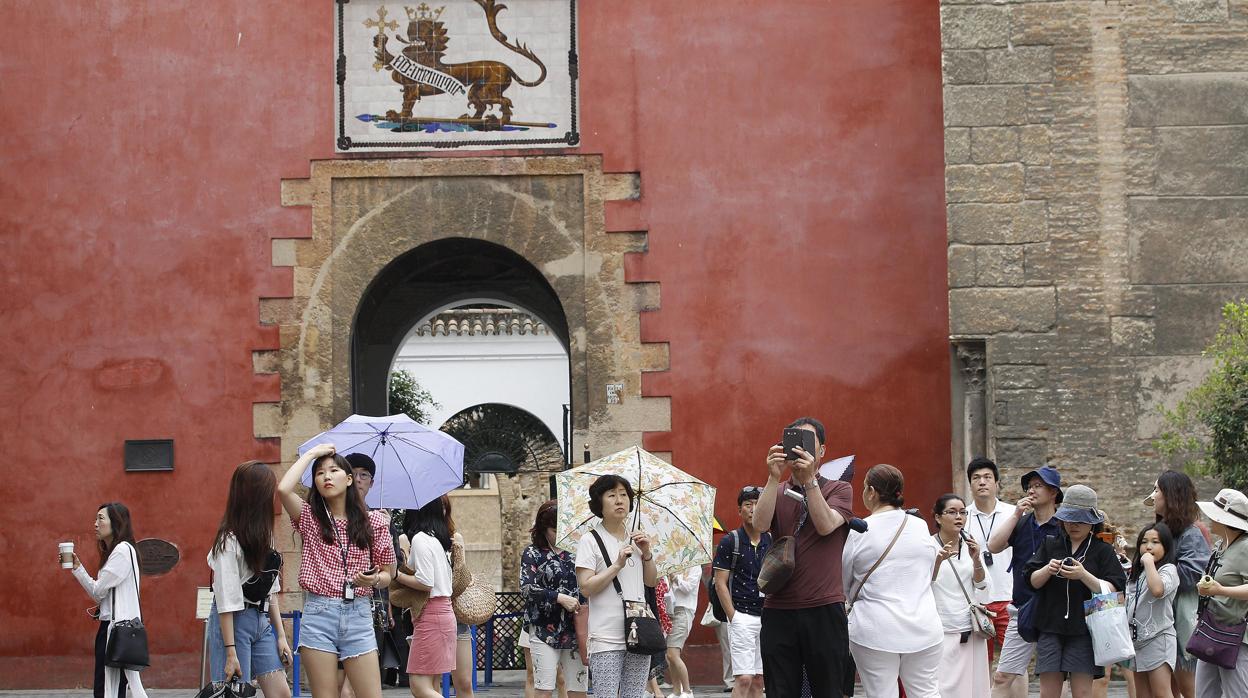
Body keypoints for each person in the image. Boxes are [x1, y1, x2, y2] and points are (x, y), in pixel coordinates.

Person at [277, 444, 396, 698]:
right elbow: (283, 489)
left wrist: (374, 578)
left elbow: (388, 575)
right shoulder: (310, 518)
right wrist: (310, 455)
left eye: (333, 470)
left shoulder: (374, 521)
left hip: (359, 614)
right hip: (319, 613)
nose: (327, 476)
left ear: (349, 479)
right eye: (320, 473)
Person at [753, 417, 854, 698]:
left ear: (822, 451)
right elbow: (760, 526)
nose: (801, 450)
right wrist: (773, 477)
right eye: (794, 441)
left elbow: (825, 525)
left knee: (828, 690)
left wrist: (809, 481)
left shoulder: (839, 489)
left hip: (824, 608)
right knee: (780, 690)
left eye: (809, 443)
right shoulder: (777, 490)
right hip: (778, 610)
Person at [842, 464, 942, 698]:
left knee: (881, 694)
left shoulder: (860, 531)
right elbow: (928, 573)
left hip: (875, 627)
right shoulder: (919, 525)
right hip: (924, 624)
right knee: (926, 693)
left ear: (872, 492)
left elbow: (844, 580)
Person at [1023, 484, 1126, 698]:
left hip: (1085, 629)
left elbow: (1115, 589)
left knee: (1082, 692)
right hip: (1050, 626)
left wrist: (1083, 575)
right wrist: (1047, 569)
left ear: (1092, 522)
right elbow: (1031, 580)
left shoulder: (1102, 550)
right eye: (1069, 519)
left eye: (1080, 520)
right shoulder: (1051, 543)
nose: (1073, 525)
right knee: (1048, 693)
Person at [207, 461, 293, 698]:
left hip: (261, 620)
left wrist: (281, 636)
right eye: (269, 490)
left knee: (281, 693)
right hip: (234, 623)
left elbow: (270, 589)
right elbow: (226, 599)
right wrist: (230, 651)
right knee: (234, 693)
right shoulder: (228, 541)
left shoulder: (265, 536)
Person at [575, 474, 658, 698]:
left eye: (623, 495)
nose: (620, 500)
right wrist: (617, 565)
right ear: (599, 503)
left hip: (638, 632)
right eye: (612, 495)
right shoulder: (589, 540)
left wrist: (647, 553)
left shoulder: (638, 540)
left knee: (634, 695)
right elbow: (586, 588)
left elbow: (651, 582)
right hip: (606, 638)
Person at [986, 465, 1064, 698]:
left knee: (1052, 679)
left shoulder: (1064, 526)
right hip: (1022, 608)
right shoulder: (1021, 523)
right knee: (1002, 676)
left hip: (1055, 611)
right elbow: (993, 546)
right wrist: (1016, 514)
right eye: (1029, 486)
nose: (1032, 491)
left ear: (1054, 493)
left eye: (1038, 486)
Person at [67, 502, 149, 698]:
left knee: (107, 688)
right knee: (125, 686)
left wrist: (78, 570)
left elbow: (98, 591)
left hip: (115, 629)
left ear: (116, 522)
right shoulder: (124, 550)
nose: (95, 524)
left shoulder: (120, 551)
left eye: (101, 518)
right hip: (125, 628)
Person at [1149, 470, 1211, 698]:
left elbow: (1194, 575)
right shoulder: (1161, 531)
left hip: (1182, 622)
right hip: (1162, 620)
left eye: (1157, 490)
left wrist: (1157, 570)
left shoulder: (1191, 534)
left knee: (1189, 689)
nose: (1153, 496)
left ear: (1171, 496)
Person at [521, 500, 589, 698]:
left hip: (576, 629)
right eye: (554, 529)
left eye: (563, 528)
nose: (559, 534)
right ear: (543, 529)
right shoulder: (532, 553)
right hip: (543, 629)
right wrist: (559, 598)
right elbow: (526, 588)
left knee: (578, 690)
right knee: (543, 689)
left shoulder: (577, 552)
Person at [338, 453, 391, 698]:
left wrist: (385, 534)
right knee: (340, 685)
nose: (359, 480)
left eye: (364, 475)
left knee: (355, 688)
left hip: (369, 606)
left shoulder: (380, 520)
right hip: (335, 607)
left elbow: (392, 569)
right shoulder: (333, 514)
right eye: (354, 474)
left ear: (371, 482)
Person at [930, 493, 991, 697]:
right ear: (938, 517)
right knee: (942, 686)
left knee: (974, 687)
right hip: (941, 627)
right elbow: (922, 584)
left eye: (963, 512)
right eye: (952, 512)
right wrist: (937, 562)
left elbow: (982, 585)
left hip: (971, 627)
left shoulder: (970, 545)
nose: (959, 517)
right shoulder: (928, 546)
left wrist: (976, 560)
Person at [713, 486, 772, 698]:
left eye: (757, 504)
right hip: (741, 616)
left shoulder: (770, 540)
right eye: (748, 505)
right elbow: (720, 583)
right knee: (744, 678)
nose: (753, 509)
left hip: (766, 616)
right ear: (740, 510)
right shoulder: (731, 541)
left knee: (758, 680)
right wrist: (734, 617)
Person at [395, 497, 457, 698]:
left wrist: (398, 576)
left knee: (419, 686)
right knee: (433, 684)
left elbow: (425, 582)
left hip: (431, 615)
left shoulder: (421, 539)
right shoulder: (435, 541)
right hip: (443, 613)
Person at [1192, 488, 1248, 697]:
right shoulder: (1221, 546)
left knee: (1237, 694)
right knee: (1204, 693)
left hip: (1235, 635)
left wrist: (1220, 589)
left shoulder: (1245, 547)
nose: (1209, 518)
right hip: (1212, 630)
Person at [964, 457, 1015, 659]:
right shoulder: (962, 516)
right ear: (970, 485)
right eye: (976, 478)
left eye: (987, 477)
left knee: (1014, 664)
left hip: (1009, 595)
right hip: (977, 601)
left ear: (997, 483)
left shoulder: (1013, 514)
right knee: (980, 663)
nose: (982, 482)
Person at [1126, 522, 1179, 698]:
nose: (1148, 547)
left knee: (1161, 693)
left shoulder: (1168, 569)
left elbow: (1157, 590)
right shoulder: (1138, 573)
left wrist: (1148, 562)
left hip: (1158, 638)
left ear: (1166, 546)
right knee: (1142, 694)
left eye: (1155, 542)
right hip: (1137, 641)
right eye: (1144, 542)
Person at [664, 565, 699, 698]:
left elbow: (688, 588)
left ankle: (688, 691)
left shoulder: (695, 567)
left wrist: (675, 577)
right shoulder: (674, 565)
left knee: (673, 654)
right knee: (670, 655)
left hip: (684, 610)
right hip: (671, 610)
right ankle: (677, 691)